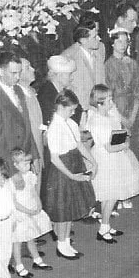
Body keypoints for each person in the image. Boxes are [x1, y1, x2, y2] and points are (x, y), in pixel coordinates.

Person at [40, 89, 98, 259]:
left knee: (70, 206)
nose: (73, 113)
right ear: (61, 107)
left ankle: (65, 241)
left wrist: (93, 161)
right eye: (71, 109)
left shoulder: (70, 123)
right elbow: (54, 158)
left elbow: (78, 145)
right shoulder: (54, 128)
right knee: (62, 209)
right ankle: (61, 244)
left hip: (74, 164)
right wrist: (72, 176)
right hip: (62, 170)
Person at [87, 84, 139, 242]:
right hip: (106, 159)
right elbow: (108, 147)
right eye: (108, 100)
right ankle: (103, 228)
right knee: (110, 195)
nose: (112, 102)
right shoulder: (97, 120)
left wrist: (123, 135)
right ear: (99, 102)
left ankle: (105, 225)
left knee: (111, 196)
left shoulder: (110, 114)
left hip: (115, 157)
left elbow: (117, 131)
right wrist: (124, 145)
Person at [0, 51, 39, 163]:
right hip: (12, 161)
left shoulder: (18, 90)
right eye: (13, 73)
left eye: (19, 72)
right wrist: (13, 168)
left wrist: (34, 155)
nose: (17, 77)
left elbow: (26, 126)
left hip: (26, 156)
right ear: (1, 72)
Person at [9, 148, 53, 276]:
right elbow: (14, 202)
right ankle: (19, 265)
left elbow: (33, 192)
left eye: (29, 163)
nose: (28, 166)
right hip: (20, 212)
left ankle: (37, 259)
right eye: (24, 164)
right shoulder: (12, 180)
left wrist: (39, 204)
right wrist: (27, 210)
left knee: (31, 236)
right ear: (15, 165)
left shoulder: (30, 176)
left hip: (31, 208)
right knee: (18, 240)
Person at [105, 27, 139, 154]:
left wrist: (132, 117)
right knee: (119, 147)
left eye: (125, 41)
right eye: (119, 41)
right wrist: (122, 119)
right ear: (112, 43)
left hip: (132, 111)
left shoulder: (132, 64)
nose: (123, 45)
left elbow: (138, 91)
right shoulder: (108, 65)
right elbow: (108, 95)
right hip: (116, 112)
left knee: (134, 147)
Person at [62, 22, 106, 112]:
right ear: (83, 40)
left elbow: (102, 83)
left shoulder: (98, 55)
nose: (99, 38)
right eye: (94, 37)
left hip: (98, 110)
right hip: (80, 110)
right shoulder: (71, 58)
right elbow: (69, 88)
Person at [17, 57, 46, 176]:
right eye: (28, 67)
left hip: (38, 147)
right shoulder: (16, 97)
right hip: (29, 153)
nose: (33, 69)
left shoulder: (30, 91)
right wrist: (32, 156)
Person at [37, 54, 80, 126]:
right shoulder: (46, 94)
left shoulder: (63, 91)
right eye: (69, 74)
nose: (72, 78)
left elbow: (78, 109)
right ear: (59, 75)